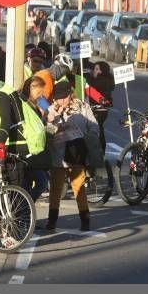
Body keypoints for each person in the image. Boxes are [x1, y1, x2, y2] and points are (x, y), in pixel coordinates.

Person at [45, 81, 102, 232]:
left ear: (70, 94)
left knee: (79, 187)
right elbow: (45, 134)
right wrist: (52, 126)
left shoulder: (82, 107)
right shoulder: (50, 110)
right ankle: (52, 221)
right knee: (56, 189)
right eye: (58, 98)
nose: (61, 101)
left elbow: (94, 126)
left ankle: (85, 220)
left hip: (77, 151)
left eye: (63, 97)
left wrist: (87, 137)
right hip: (58, 154)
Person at [0, 73, 48, 185]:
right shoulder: (7, 90)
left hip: (11, 144)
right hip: (19, 142)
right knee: (20, 186)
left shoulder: (1, 95)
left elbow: (6, 120)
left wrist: (0, 143)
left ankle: (4, 202)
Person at [86, 61, 114, 152]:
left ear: (102, 71)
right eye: (95, 68)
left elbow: (90, 90)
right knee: (99, 129)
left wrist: (86, 78)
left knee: (95, 130)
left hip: (98, 109)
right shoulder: (107, 80)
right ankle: (101, 151)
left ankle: (98, 152)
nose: (94, 71)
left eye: (97, 69)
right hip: (102, 109)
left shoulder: (99, 81)